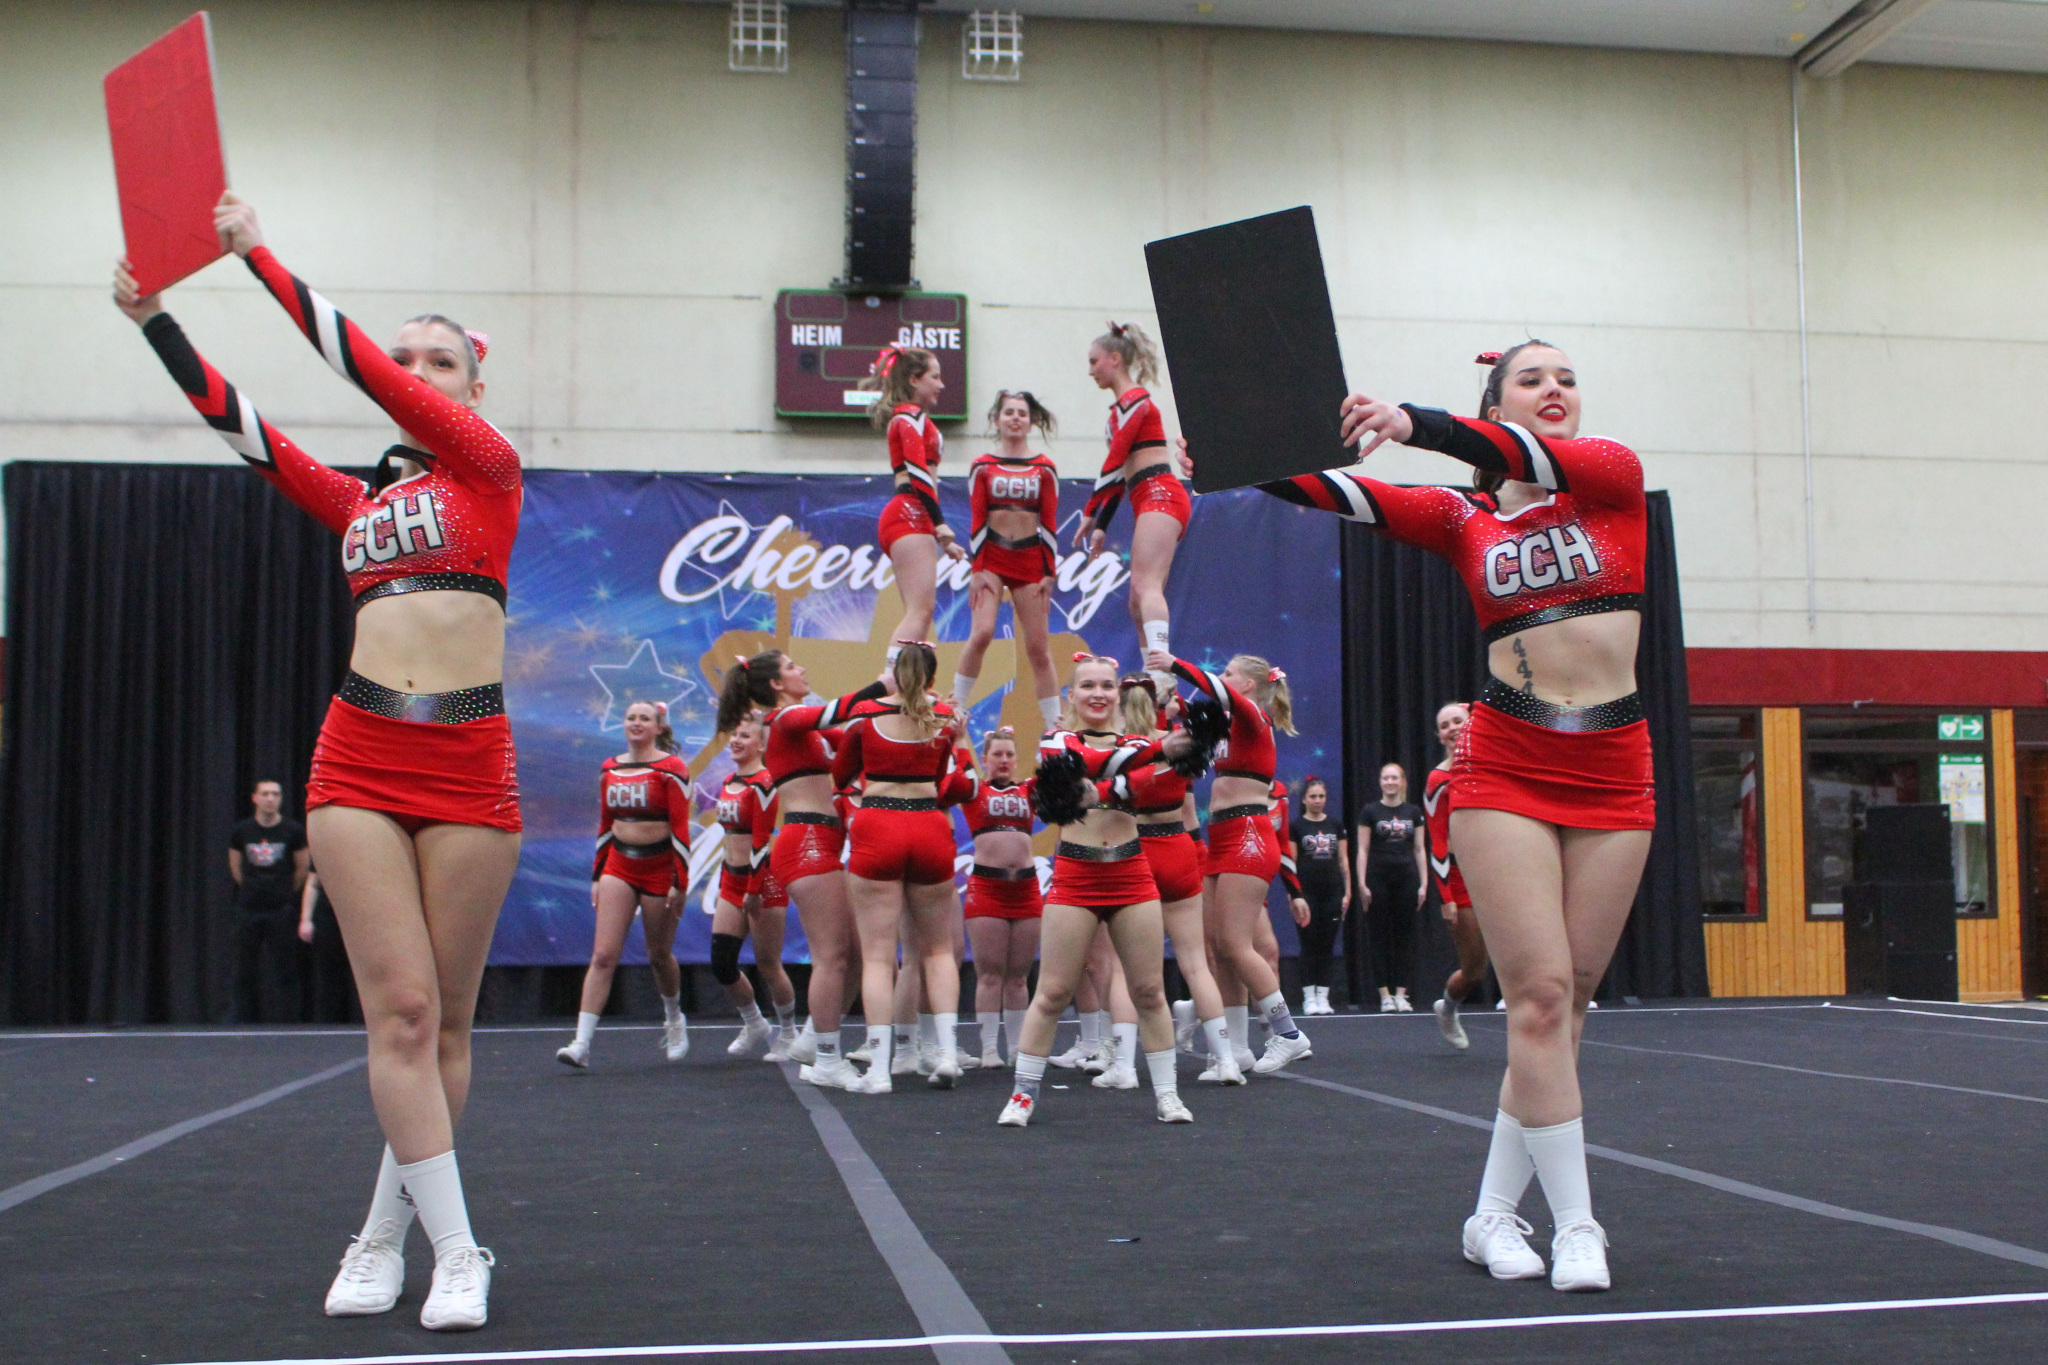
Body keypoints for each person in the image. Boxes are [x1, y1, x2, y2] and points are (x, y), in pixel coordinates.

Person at [119, 192, 520, 1328]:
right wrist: (155, 321)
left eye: (438, 361)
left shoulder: (490, 469)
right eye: (406, 356)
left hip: (469, 759)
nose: (414, 371)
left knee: (445, 1025)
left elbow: (356, 367)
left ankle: (382, 1234)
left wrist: (257, 257)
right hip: (358, 755)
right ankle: (460, 1251)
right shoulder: (355, 505)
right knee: (400, 1012)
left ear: (471, 389)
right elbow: (243, 428)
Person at [1250, 341, 1656, 1292]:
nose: (1555, 390)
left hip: (1614, 767)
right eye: (1532, 379)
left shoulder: (1612, 479)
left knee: (1568, 1005)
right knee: (1539, 997)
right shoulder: (1462, 518)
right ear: (1496, 402)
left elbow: (1517, 452)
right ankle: (1579, 1224)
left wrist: (1413, 422)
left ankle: (1490, 1214)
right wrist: (1232, 459)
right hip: (1507, 761)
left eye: (1566, 379)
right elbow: (1340, 492)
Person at [999, 653, 1209, 1127]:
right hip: (1076, 874)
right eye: (1088, 686)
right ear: (1071, 695)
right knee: (1052, 992)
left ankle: (1168, 1095)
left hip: (1132, 873)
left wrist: (1138, 767)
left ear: (1119, 693)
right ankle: (1023, 1096)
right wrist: (1157, 752)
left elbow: (1155, 786)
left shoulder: (1138, 742)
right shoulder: (1057, 739)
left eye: (1107, 686)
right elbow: (1084, 766)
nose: (1098, 694)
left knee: (1149, 990)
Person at [716, 653, 888, 1090]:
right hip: (807, 841)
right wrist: (888, 681)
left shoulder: (802, 727)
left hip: (824, 840)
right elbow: (843, 710)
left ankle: (814, 1039)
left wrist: (912, 713)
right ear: (776, 684)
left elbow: (859, 736)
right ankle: (827, 1058)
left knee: (855, 954)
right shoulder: (785, 718)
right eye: (793, 666)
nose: (802, 670)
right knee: (832, 956)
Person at [1148, 648, 1313, 1075]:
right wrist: (1167, 701)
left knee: (1239, 945)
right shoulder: (1228, 724)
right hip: (1221, 839)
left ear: (1248, 685)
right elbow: (1189, 722)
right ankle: (1237, 1048)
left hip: (1248, 836)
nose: (1222, 677)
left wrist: (1175, 665)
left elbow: (1215, 690)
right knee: (1220, 949)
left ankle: (1289, 1034)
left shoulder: (1254, 716)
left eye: (1229, 672)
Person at [835, 643, 969, 1091]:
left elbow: (840, 775)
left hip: (878, 826)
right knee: (938, 950)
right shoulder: (945, 718)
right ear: (932, 678)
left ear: (894, 673)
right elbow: (954, 781)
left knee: (878, 955)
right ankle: (947, 1054)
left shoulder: (865, 715)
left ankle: (878, 1070)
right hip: (929, 827)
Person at [1114, 681, 1239, 1081]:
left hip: (1136, 851)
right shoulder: (1179, 742)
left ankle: (1123, 1066)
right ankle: (1226, 1059)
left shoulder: (1119, 749)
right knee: (1196, 963)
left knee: (1122, 968)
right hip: (1178, 847)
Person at [558, 702, 691, 1068]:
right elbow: (605, 825)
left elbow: (681, 829)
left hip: (659, 867)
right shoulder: (610, 768)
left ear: (658, 727)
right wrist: (597, 875)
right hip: (619, 865)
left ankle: (674, 1017)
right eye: (631, 717)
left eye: (644, 718)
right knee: (603, 955)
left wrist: (680, 882)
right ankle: (581, 1044)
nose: (636, 723)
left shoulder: (672, 769)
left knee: (658, 955)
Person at [1076, 324, 1188, 694]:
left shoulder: (1136, 401)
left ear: (1115, 359)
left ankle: (1162, 671)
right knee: (1135, 601)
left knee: (1146, 585)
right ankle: (1153, 674)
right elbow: (1121, 473)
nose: (1090, 370)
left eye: (1094, 362)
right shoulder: (1120, 411)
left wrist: (1091, 511)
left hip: (1160, 492)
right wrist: (1101, 524)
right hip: (1147, 495)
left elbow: (1114, 460)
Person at [953, 392, 1063, 733]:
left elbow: (1049, 521)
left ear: (1031, 422)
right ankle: (954, 706)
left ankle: (1055, 726)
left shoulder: (1044, 468)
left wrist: (1049, 572)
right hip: (992, 557)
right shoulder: (982, 466)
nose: (1015, 418)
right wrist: (976, 569)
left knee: (1038, 648)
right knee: (982, 633)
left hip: (1030, 560)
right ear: (996, 420)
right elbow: (977, 519)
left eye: (1022, 413)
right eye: (1009, 412)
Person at [709, 714, 799, 1059]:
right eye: (735, 735)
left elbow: (761, 840)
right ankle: (754, 1022)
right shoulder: (729, 781)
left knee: (768, 964)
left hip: (762, 881)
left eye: (745, 736)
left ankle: (789, 1033)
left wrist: (753, 888)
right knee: (722, 961)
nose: (735, 741)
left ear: (761, 745)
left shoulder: (763, 783)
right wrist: (731, 880)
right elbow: (730, 838)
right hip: (731, 879)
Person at [866, 347, 965, 659]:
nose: (941, 385)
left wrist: (940, 535)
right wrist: (940, 524)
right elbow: (918, 473)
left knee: (921, 613)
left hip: (913, 513)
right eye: (934, 377)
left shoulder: (912, 418)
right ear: (914, 379)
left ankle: (901, 680)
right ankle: (890, 679)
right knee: (919, 613)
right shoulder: (909, 417)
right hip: (910, 511)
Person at [956, 728, 1040, 1067]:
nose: (1004, 760)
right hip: (988, 889)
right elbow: (960, 765)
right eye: (997, 755)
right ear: (985, 759)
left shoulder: (1030, 790)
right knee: (990, 974)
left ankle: (1018, 1047)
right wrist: (959, 737)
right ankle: (989, 1049)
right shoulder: (975, 790)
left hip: (1026, 889)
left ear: (1016, 760)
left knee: (1019, 975)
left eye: (1009, 755)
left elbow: (1059, 767)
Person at [1425, 702, 1491, 1050]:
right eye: (1444, 725)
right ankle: (1448, 1007)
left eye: (1457, 721)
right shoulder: (1439, 780)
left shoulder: (1494, 767)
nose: (1452, 728)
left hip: (1498, 871)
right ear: (1439, 736)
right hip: (1460, 878)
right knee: (1475, 970)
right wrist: (1446, 897)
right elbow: (1437, 841)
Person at [227, 779, 310, 1023]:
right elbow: (236, 867)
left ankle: (289, 1021)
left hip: (281, 910)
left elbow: (302, 869)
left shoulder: (293, 831)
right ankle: (242, 1021)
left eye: (275, 794)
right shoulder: (242, 831)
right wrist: (252, 888)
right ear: (255, 798)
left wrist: (283, 892)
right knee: (243, 969)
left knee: (286, 969)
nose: (270, 798)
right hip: (248, 908)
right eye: (265, 793)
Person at [1357, 763, 1426, 1013]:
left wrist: (1424, 883)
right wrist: (1362, 882)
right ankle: (1385, 995)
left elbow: (1419, 849)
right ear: (1380, 782)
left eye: (1394, 778)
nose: (1390, 782)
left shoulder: (1413, 812)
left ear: (1402, 781)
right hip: (1378, 878)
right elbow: (1363, 849)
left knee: (1405, 936)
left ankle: (1401, 994)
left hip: (1406, 878)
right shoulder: (1370, 811)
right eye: (1386, 778)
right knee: (1379, 936)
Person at [1292, 777, 1350, 1015]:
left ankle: (1323, 997)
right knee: (1309, 944)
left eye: (1321, 796)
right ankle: (1309, 997)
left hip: (1332, 892)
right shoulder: (1296, 826)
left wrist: (1347, 892)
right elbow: (1292, 862)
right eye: (1313, 796)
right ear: (1304, 799)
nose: (1317, 800)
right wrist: (1294, 894)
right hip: (1307, 893)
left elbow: (1343, 860)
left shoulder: (1335, 825)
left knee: (1327, 944)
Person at [299, 869, 360, 1023]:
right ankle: (328, 1023)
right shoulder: (326, 856)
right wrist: (306, 919)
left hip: (357, 919)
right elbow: (313, 884)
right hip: (328, 916)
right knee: (328, 974)